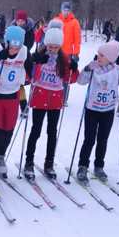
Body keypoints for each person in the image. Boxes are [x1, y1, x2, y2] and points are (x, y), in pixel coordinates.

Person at [23, 22, 78, 180]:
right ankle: (29, 162)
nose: (52, 49)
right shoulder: (40, 55)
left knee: (52, 133)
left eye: (56, 47)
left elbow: (72, 79)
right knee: (36, 131)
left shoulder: (64, 59)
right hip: (40, 97)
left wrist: (74, 67)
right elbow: (28, 76)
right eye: (50, 46)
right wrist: (34, 61)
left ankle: (49, 163)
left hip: (55, 99)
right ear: (46, 44)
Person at [75, 40, 119, 182]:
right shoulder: (94, 67)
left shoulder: (118, 70)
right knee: (89, 139)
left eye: (102, 55)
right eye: (98, 54)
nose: (98, 57)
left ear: (111, 58)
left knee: (103, 139)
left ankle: (99, 166)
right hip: (92, 109)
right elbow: (80, 81)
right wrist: (87, 69)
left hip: (108, 110)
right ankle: (82, 166)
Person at [0, 25, 31, 188]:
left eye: (17, 46)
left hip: (13, 96)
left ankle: (0, 156)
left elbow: (30, 69)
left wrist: (32, 72)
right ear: (6, 42)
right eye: (11, 45)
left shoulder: (24, 51)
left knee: (8, 131)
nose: (14, 49)